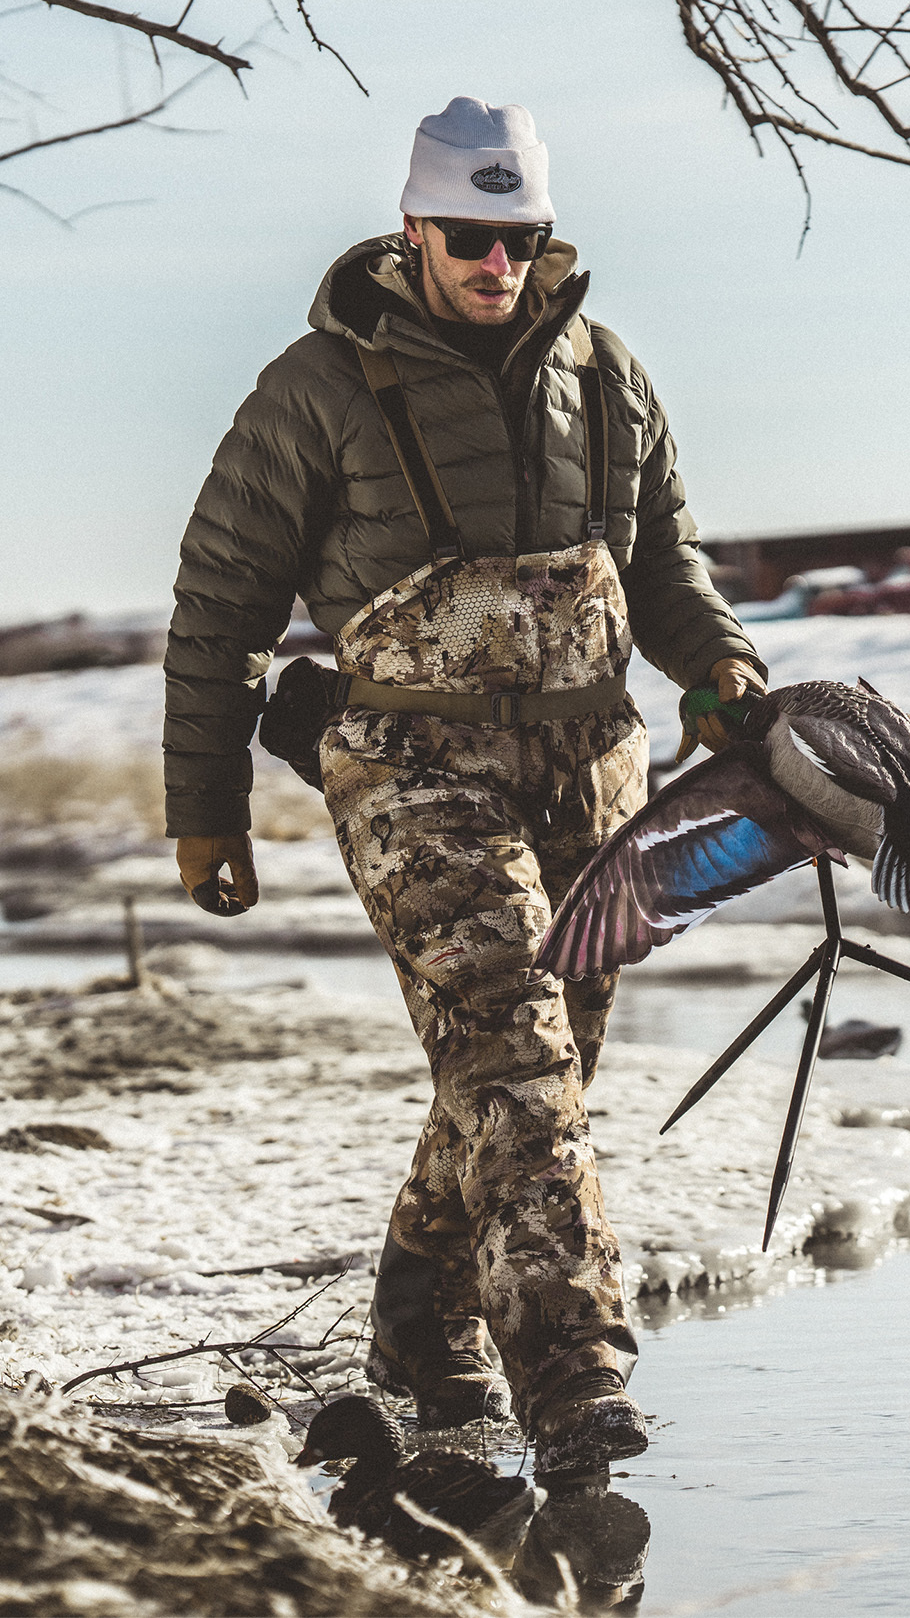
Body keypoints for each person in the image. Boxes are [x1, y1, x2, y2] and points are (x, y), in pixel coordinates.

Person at [162, 97, 764, 1473]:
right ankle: (570, 1373)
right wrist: (207, 809)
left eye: (522, 239)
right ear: (414, 228)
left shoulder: (607, 374)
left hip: (592, 772)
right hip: (413, 776)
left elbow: (664, 564)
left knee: (534, 1070)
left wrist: (721, 664)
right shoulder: (316, 389)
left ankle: (420, 1321)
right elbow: (220, 607)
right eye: (472, 238)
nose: (499, 265)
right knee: (514, 1053)